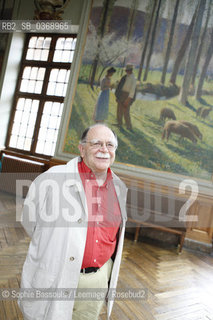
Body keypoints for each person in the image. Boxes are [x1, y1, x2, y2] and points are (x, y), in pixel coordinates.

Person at [18, 123, 127, 320]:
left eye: (110, 145)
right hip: (57, 275)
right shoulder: (53, 178)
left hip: (97, 280)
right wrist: (53, 247)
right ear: (82, 149)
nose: (104, 150)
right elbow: (29, 219)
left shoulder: (119, 187)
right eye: (96, 143)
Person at [115, 64, 136, 130]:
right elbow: (119, 86)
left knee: (126, 111)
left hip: (128, 95)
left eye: (128, 70)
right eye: (126, 70)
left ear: (131, 70)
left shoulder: (133, 78)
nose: (126, 72)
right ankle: (119, 123)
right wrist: (118, 96)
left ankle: (129, 126)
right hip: (121, 94)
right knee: (119, 110)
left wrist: (128, 99)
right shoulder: (124, 77)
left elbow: (132, 90)